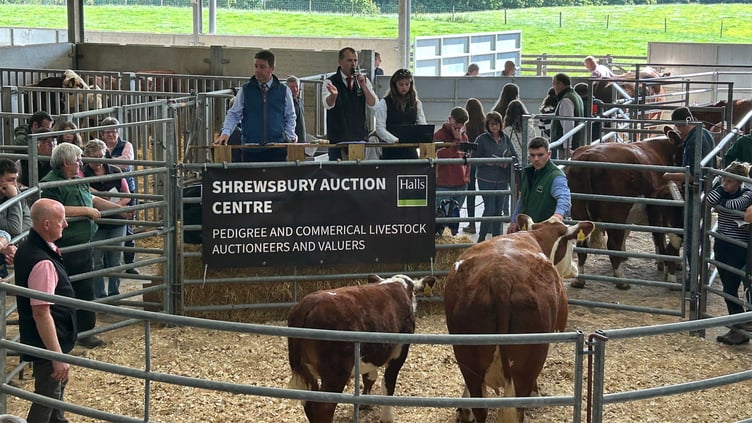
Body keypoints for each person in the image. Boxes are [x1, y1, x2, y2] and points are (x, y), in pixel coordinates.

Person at [41, 143, 127, 348]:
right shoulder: (50, 183)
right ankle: (63, 335)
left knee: (85, 290)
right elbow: (55, 209)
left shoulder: (78, 179)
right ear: (65, 162)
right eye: (78, 159)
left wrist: (117, 209)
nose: (81, 163)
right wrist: (85, 211)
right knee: (63, 293)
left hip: (83, 245)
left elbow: (93, 199)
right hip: (64, 248)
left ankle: (86, 332)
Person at [14, 198, 77, 423]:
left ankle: (59, 421)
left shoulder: (30, 248)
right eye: (61, 221)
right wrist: (56, 356)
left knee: (55, 388)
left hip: (50, 336)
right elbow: (41, 313)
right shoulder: (42, 262)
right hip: (48, 340)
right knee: (47, 394)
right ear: (47, 225)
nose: (66, 224)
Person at [215, 49, 298, 162]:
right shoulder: (245, 90)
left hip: (277, 148)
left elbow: (290, 116)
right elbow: (234, 114)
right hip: (250, 148)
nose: (257, 70)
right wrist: (226, 133)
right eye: (256, 66)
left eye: (262, 67)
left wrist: (288, 137)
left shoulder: (284, 91)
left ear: (272, 69)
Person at [705, 161, 752, 345]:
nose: (725, 184)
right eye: (723, 180)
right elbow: (708, 200)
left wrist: (721, 203)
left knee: (730, 287)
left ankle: (740, 324)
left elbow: (735, 204)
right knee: (726, 282)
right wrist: (722, 192)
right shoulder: (723, 189)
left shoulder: (747, 193)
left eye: (730, 182)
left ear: (739, 182)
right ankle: (737, 325)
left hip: (737, 245)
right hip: (722, 242)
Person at [83, 139, 131, 299]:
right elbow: (82, 190)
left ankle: (114, 293)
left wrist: (116, 205)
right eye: (93, 157)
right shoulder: (82, 174)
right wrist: (117, 208)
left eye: (100, 156)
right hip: (97, 223)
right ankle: (100, 295)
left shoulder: (115, 170)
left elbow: (127, 194)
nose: (97, 161)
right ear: (87, 156)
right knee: (96, 260)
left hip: (117, 222)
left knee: (116, 259)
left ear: (105, 155)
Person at [321, 47, 377, 161]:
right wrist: (334, 96)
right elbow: (327, 104)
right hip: (338, 138)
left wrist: (364, 87)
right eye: (349, 60)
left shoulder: (363, 81)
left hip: (358, 136)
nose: (353, 64)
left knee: (358, 174)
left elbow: (374, 104)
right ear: (340, 61)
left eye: (355, 60)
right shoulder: (330, 82)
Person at [99, 117, 139, 274]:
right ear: (102, 134)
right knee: (103, 226)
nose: (111, 134)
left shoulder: (126, 145)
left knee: (127, 227)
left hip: (125, 191)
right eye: (107, 131)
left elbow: (126, 162)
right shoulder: (100, 146)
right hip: (103, 193)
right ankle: (106, 265)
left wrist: (105, 161)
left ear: (118, 132)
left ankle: (130, 264)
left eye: (114, 131)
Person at [507, 136, 571, 233]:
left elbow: (564, 198)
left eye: (540, 155)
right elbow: (522, 198)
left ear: (549, 154)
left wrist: (557, 216)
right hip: (527, 230)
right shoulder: (528, 171)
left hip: (545, 232)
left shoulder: (556, 177)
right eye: (532, 155)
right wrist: (514, 220)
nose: (536, 159)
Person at [474, 111, 515, 241]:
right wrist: (487, 161)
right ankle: (481, 239)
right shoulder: (481, 139)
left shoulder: (506, 139)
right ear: (488, 125)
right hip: (485, 178)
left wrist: (507, 162)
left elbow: (514, 156)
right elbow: (473, 158)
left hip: (502, 178)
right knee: (490, 208)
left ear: (500, 125)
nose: (494, 127)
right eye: (491, 124)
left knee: (498, 211)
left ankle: (496, 239)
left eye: (496, 124)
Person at [373, 68, 427, 160]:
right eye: (401, 84)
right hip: (390, 151)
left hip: (410, 150)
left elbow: (422, 125)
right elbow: (380, 128)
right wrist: (395, 140)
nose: (404, 87)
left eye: (407, 84)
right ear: (395, 85)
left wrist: (423, 137)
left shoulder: (417, 103)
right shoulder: (384, 103)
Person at [434, 107, 470, 211]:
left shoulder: (464, 137)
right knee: (443, 219)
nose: (459, 126)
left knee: (455, 218)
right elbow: (440, 157)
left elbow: (467, 158)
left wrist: (466, 178)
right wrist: (456, 142)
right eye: (457, 122)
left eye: (462, 123)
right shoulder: (438, 136)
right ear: (450, 119)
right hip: (443, 184)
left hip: (461, 183)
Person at [0, 158, 31, 278]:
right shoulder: (14, 193)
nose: (14, 184)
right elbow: (14, 229)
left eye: (16, 179)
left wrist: (13, 242)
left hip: (8, 249)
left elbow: (29, 222)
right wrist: (14, 198)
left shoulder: (15, 191)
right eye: (10, 180)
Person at [462, 98, 485, 234]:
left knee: (470, 192)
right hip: (482, 162)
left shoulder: (466, 126)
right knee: (485, 193)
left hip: (470, 162)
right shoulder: (484, 123)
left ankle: (472, 223)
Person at [550, 73, 584, 158]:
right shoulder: (575, 96)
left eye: (554, 84)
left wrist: (567, 147)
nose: (553, 87)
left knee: (564, 167)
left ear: (560, 84)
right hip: (575, 141)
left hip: (568, 144)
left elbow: (568, 124)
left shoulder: (566, 100)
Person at [286, 75, 307, 143]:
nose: (295, 89)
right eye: (292, 87)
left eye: (296, 86)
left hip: (301, 139)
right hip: (293, 139)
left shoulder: (299, 101)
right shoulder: (287, 104)